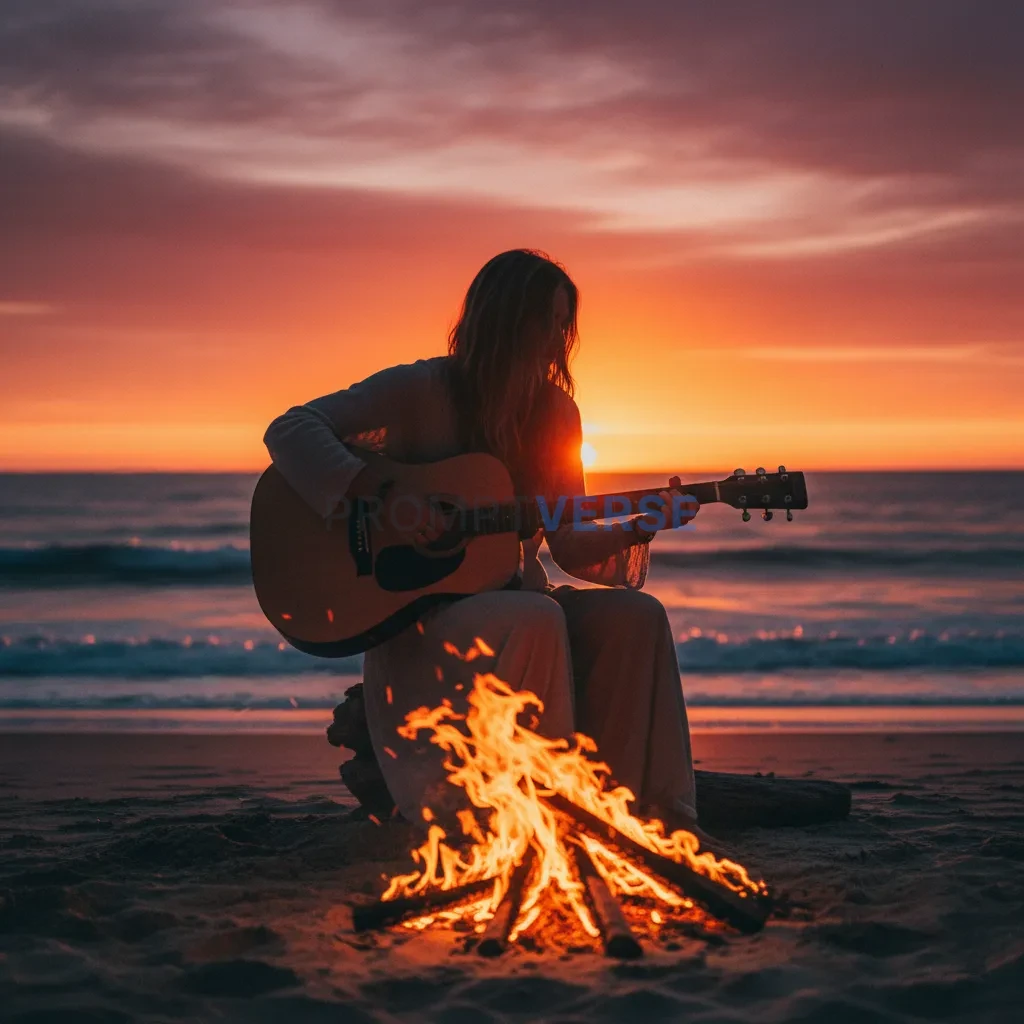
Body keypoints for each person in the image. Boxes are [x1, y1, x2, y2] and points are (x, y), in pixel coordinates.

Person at [263, 249, 702, 833]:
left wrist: (642, 522)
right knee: (535, 616)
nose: (557, 340)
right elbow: (291, 428)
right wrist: (384, 493)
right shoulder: (420, 389)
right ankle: (545, 821)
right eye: (545, 321)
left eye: (563, 325)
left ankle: (651, 817)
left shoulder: (555, 414)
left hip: (516, 598)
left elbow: (567, 545)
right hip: (423, 621)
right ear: (503, 319)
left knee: (637, 615)